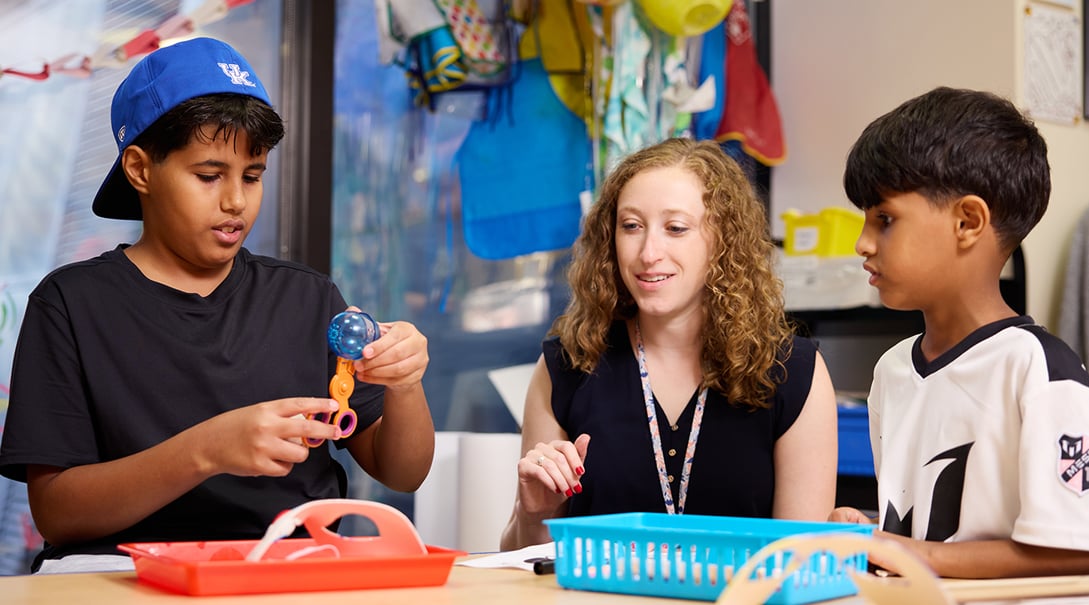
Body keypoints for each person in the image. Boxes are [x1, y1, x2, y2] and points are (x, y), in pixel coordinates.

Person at [0, 37, 435, 573]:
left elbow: (402, 471)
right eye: (209, 176)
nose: (235, 201)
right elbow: (57, 514)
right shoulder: (71, 303)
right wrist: (207, 450)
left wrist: (406, 383)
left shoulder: (306, 297)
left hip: (286, 571)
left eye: (252, 176)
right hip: (120, 577)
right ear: (139, 169)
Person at [500, 137, 838, 551]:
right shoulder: (567, 364)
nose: (648, 253)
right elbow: (522, 564)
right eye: (631, 226)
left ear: (723, 240)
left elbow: (801, 563)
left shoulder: (791, 372)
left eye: (676, 228)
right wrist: (533, 515)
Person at [830, 86, 1089, 578]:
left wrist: (910, 554)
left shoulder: (1038, 369)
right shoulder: (892, 370)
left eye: (884, 219)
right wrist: (866, 533)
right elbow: (926, 534)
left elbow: (1077, 548)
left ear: (968, 221)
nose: (863, 243)